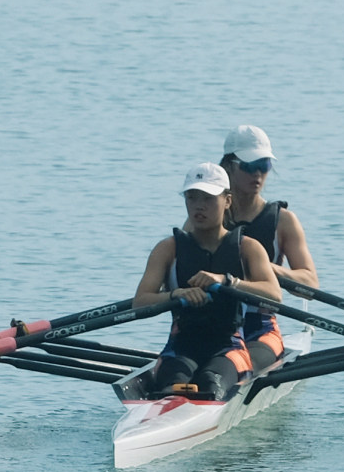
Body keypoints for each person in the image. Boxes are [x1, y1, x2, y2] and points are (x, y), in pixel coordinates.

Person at [133, 163, 287, 402]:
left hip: (229, 348)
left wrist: (227, 281)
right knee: (171, 387)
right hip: (181, 348)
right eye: (192, 198)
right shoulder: (167, 249)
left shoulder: (248, 248)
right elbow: (140, 303)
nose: (198, 206)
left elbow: (274, 294)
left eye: (208, 198)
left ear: (227, 200)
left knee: (210, 383)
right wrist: (177, 295)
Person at [219, 124, 318, 291]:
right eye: (248, 165)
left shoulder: (284, 221)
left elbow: (310, 284)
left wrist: (267, 268)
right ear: (228, 166)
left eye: (264, 165)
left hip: (260, 315)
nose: (257, 173)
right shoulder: (208, 213)